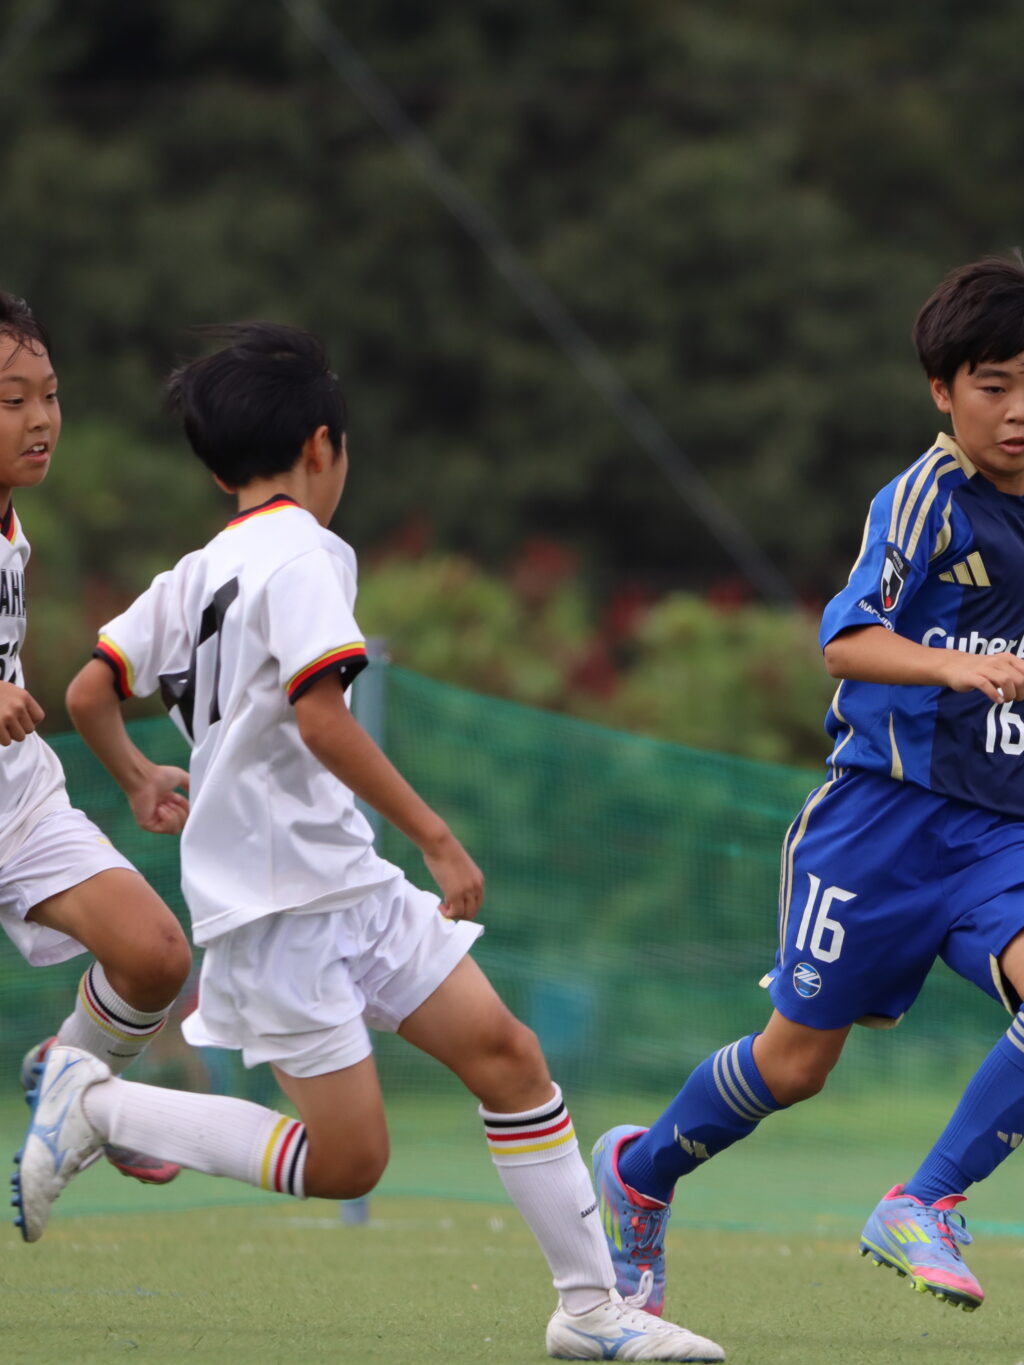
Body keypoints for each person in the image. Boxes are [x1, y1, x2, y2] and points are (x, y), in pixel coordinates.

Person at [18, 322, 723, 1362]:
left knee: (509, 1057)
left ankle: (590, 1311)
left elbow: (89, 690)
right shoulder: (306, 552)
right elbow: (323, 718)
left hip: (342, 880)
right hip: (280, 908)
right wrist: (436, 835)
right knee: (349, 1160)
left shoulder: (201, 567)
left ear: (217, 469)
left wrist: (136, 776)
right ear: (323, 446)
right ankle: (107, 1107)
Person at [592, 257, 1024, 1317]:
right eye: (994, 385)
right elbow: (844, 641)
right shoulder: (920, 502)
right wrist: (953, 664)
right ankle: (640, 1175)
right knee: (793, 1066)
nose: (1021, 411)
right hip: (877, 827)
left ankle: (925, 1200)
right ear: (942, 391)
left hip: (1005, 828)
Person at [0, 291, 190, 1188]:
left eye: (50, 395)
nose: (41, 419)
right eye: (13, 400)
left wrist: (137, 774)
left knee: (155, 954)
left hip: (17, 798)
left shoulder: (10, 518)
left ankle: (75, 1085)